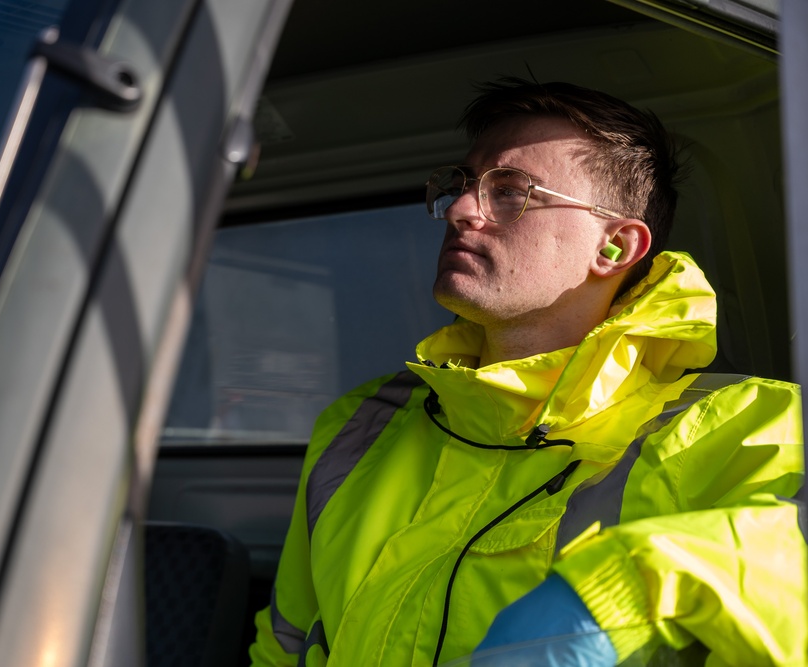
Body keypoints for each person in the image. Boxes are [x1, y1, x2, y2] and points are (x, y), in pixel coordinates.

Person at [247, 79, 805, 667]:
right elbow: (285, 643)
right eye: (460, 185)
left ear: (615, 248)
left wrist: (611, 594)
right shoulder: (358, 426)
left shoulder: (748, 427)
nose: (461, 210)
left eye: (511, 191)